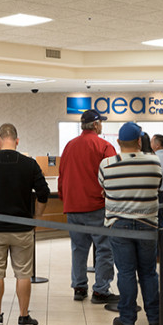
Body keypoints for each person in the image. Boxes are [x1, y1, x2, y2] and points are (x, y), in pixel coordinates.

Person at [0, 123, 49, 325]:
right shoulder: (29, 164)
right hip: (23, 227)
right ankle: (24, 318)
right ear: (17, 140)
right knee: (23, 273)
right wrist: (37, 218)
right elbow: (43, 193)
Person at [99, 122, 163, 325]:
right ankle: (155, 319)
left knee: (126, 272)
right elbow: (157, 186)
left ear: (118, 142)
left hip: (119, 226)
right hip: (148, 225)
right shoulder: (154, 162)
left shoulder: (107, 164)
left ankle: (127, 320)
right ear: (140, 141)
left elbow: (104, 189)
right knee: (148, 272)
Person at [58, 109, 119, 303]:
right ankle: (101, 289)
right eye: (101, 122)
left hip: (73, 206)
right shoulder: (104, 146)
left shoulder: (69, 146)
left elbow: (62, 176)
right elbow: (114, 176)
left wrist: (64, 198)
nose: (102, 125)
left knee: (78, 248)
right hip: (97, 206)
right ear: (95, 124)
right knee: (104, 248)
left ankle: (79, 287)